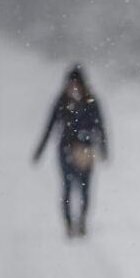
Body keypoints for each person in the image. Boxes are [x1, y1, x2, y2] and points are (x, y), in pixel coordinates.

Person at [33, 64, 108, 237]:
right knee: (67, 187)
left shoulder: (91, 102)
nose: (74, 87)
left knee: (85, 188)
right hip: (65, 150)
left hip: (86, 150)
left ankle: (81, 220)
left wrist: (103, 148)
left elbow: (100, 126)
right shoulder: (62, 102)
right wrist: (40, 150)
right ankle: (68, 223)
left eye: (77, 84)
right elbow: (49, 126)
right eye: (71, 84)